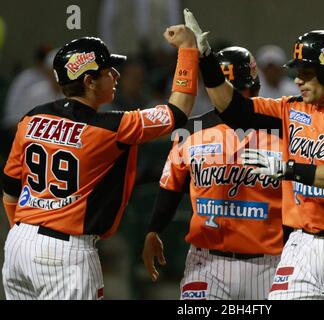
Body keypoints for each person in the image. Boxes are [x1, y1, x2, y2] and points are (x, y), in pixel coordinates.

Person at [182, 11, 324, 300]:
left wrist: (290, 170)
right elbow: (234, 110)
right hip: (301, 245)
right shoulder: (292, 107)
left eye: (306, 73)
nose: (297, 80)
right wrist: (206, 58)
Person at [2, 22, 198, 300]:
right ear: (88, 81)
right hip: (66, 254)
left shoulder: (31, 118)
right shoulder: (111, 126)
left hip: (19, 246)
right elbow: (178, 111)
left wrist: (26, 235)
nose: (116, 75)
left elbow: (10, 188)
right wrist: (188, 50)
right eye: (107, 71)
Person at [142, 46, 286, 300]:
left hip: (269, 263)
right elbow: (171, 187)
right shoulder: (192, 129)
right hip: (209, 265)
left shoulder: (282, 128)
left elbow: (170, 189)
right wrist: (154, 230)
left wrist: (154, 230)